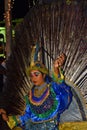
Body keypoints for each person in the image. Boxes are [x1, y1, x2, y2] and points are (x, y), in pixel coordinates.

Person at [0, 53, 73, 130]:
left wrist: (56, 69)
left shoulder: (52, 89)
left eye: (36, 74)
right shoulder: (30, 94)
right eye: (31, 75)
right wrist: (10, 119)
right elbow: (28, 115)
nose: (33, 78)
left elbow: (61, 90)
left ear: (44, 75)